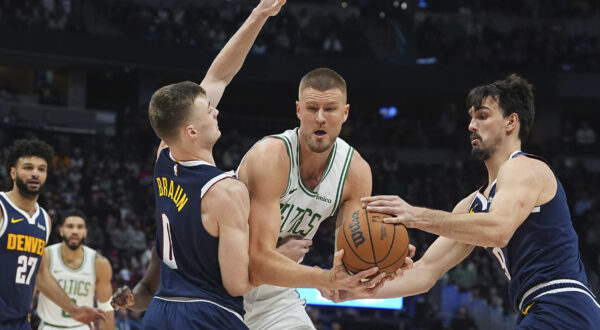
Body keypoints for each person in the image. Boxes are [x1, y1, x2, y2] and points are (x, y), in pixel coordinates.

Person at [326, 74, 600, 328]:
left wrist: (416, 216)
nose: (471, 125)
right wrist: (352, 291)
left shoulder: (525, 168)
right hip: (538, 310)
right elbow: (424, 273)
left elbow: (498, 230)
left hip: (564, 306)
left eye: (482, 116)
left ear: (511, 122)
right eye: (471, 118)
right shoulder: (473, 204)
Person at [113, 0, 287, 328]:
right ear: (191, 131)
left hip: (161, 311)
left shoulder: (165, 155)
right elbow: (238, 284)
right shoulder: (226, 191)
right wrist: (284, 257)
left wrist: (259, 15)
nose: (216, 111)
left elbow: (219, 76)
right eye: (209, 111)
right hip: (208, 315)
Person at [235, 67, 415, 329]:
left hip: (276, 297)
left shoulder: (355, 172)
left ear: (345, 113)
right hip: (223, 285)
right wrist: (323, 278)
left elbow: (350, 262)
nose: (320, 118)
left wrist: (380, 268)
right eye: (311, 109)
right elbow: (258, 263)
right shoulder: (271, 157)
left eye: (330, 109)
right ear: (298, 111)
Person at [0, 138, 104, 329]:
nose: (35, 173)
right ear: (13, 173)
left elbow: (40, 272)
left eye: (41, 169)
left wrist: (73, 310)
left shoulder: (44, 219)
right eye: (28, 167)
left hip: (20, 320)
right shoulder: (2, 208)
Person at [36, 209, 115, 329]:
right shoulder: (45, 256)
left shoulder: (99, 263)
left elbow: (106, 310)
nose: (75, 231)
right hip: (49, 326)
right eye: (70, 226)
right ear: (61, 231)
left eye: (79, 227)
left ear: (85, 232)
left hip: (82, 327)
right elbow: (27, 298)